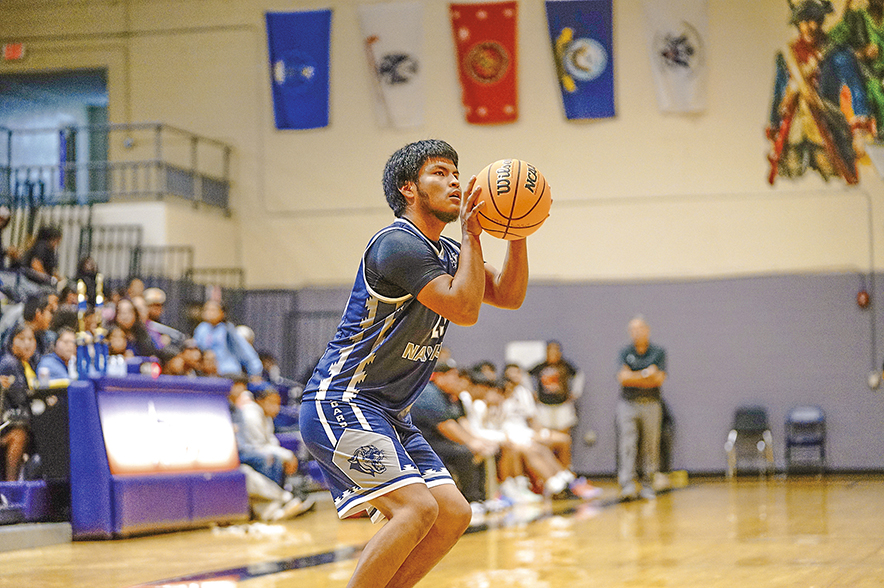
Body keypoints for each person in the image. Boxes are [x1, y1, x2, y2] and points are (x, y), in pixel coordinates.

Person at [299, 139, 528, 588]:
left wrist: (517, 229)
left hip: (389, 412)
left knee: (452, 514)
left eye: (457, 173)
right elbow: (464, 308)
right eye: (440, 173)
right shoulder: (396, 244)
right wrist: (472, 235)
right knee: (417, 508)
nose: (456, 181)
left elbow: (510, 295)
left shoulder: (445, 253)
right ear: (409, 188)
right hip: (342, 402)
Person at [410, 361, 498, 513]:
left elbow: (460, 422)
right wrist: (471, 443)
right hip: (425, 442)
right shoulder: (429, 393)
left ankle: (483, 498)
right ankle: (471, 499)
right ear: (440, 377)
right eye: (453, 377)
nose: (456, 381)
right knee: (464, 453)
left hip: (439, 440)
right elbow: (446, 426)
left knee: (479, 451)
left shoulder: (448, 395)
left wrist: (477, 441)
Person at [227, 376, 314, 521]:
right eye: (272, 403)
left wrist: (286, 456)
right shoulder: (250, 414)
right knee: (264, 462)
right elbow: (254, 447)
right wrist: (285, 455)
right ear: (260, 401)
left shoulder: (264, 416)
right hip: (241, 457)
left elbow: (271, 443)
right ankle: (285, 498)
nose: (277, 408)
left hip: (246, 454)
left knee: (275, 459)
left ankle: (275, 509)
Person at [616, 315, 667, 501]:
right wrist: (646, 374)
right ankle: (627, 485)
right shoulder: (624, 352)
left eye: (640, 329)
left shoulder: (658, 352)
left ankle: (648, 485)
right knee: (627, 444)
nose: (637, 333)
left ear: (647, 330)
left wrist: (634, 377)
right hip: (627, 404)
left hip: (651, 404)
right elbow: (623, 379)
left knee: (650, 445)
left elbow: (659, 380)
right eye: (633, 330)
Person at [0, 324, 38, 480]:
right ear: (11, 342)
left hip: (19, 420)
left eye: (31, 339)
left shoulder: (27, 364)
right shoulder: (8, 363)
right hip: (6, 424)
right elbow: (19, 398)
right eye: (22, 339)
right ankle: (11, 485)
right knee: (19, 434)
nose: (27, 343)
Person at [192, 300, 262, 380]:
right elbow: (196, 348)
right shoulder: (201, 328)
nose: (209, 313)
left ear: (222, 313)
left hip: (227, 372)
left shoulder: (227, 329)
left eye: (213, 310)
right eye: (206, 309)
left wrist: (255, 372)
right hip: (207, 373)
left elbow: (244, 350)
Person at [529, 341, 581, 442]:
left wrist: (575, 392)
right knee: (544, 438)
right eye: (550, 351)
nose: (553, 354)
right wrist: (531, 392)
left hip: (562, 405)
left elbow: (578, 375)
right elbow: (526, 375)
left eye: (555, 351)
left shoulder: (565, 366)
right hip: (544, 406)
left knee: (564, 438)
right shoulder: (541, 367)